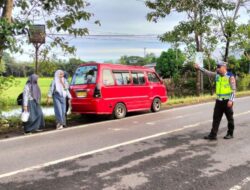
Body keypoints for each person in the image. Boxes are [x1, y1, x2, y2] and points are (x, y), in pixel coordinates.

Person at [195, 61, 236, 140]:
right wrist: (199, 68)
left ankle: (230, 133)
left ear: (224, 67)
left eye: (219, 67)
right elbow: (207, 73)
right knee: (216, 118)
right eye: (217, 67)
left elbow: (233, 90)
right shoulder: (217, 75)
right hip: (218, 101)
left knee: (230, 118)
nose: (217, 69)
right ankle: (213, 135)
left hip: (227, 101)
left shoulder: (230, 76)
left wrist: (231, 100)